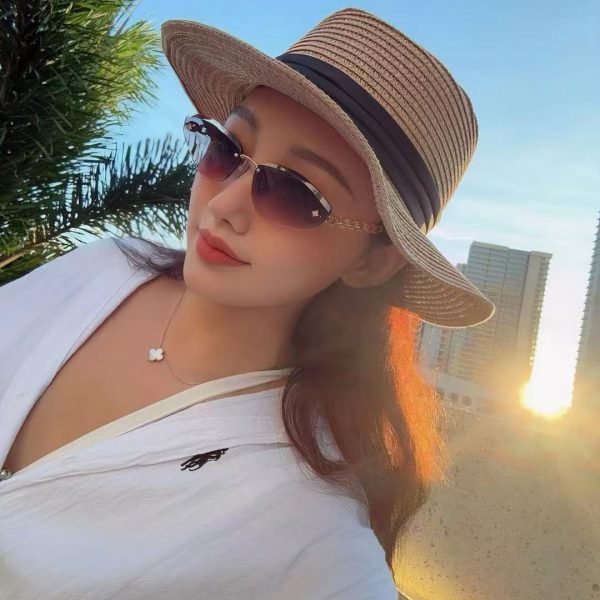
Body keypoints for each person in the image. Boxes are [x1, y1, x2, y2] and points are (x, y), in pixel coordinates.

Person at [0, 6, 496, 599]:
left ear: (373, 261)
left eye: (294, 193)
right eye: (226, 149)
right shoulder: (104, 266)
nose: (224, 205)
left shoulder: (304, 527)